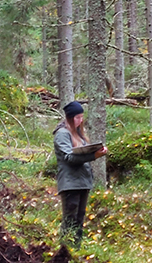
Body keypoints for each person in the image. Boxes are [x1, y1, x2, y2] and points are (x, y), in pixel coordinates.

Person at [53, 101, 108, 249]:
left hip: (83, 181)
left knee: (79, 219)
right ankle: (65, 251)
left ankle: (76, 249)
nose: (81, 120)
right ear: (70, 118)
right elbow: (69, 158)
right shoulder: (62, 134)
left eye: (82, 117)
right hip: (70, 183)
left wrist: (96, 151)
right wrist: (94, 156)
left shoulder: (78, 134)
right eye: (78, 117)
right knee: (70, 219)